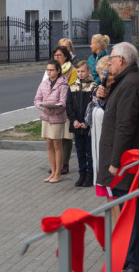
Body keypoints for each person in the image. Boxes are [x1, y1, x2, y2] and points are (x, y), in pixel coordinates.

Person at [96, 42, 139, 272]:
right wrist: (104, 97)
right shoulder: (127, 82)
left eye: (112, 58)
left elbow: (125, 127)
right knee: (130, 215)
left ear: (122, 60)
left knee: (132, 217)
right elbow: (115, 112)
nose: (108, 62)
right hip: (126, 164)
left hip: (127, 165)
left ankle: (135, 263)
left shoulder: (131, 85)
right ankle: (132, 259)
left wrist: (115, 162)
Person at [33, 60, 68, 183]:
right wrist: (44, 107)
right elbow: (37, 99)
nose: (49, 72)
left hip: (57, 118)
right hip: (45, 117)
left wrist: (54, 107)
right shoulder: (43, 84)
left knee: (57, 144)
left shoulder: (63, 84)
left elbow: (63, 103)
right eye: (48, 70)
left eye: (52, 70)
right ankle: (52, 172)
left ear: (58, 71)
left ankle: (58, 174)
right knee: (49, 143)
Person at [67, 60, 98, 188]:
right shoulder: (72, 86)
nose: (80, 74)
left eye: (83, 71)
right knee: (79, 151)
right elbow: (69, 105)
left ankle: (90, 175)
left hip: (88, 126)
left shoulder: (93, 86)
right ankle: (82, 174)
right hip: (77, 125)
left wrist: (87, 122)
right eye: (78, 71)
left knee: (89, 151)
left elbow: (94, 106)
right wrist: (74, 120)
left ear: (89, 71)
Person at [86, 55, 110, 196]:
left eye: (104, 72)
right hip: (95, 138)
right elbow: (89, 112)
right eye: (100, 73)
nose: (102, 76)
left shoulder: (115, 91)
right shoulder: (98, 90)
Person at [53, 46, 76, 175]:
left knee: (66, 137)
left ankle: (65, 163)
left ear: (66, 57)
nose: (57, 57)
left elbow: (71, 87)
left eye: (59, 55)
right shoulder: (51, 69)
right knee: (55, 136)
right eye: (55, 55)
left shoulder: (72, 70)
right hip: (52, 107)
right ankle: (56, 163)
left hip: (65, 107)